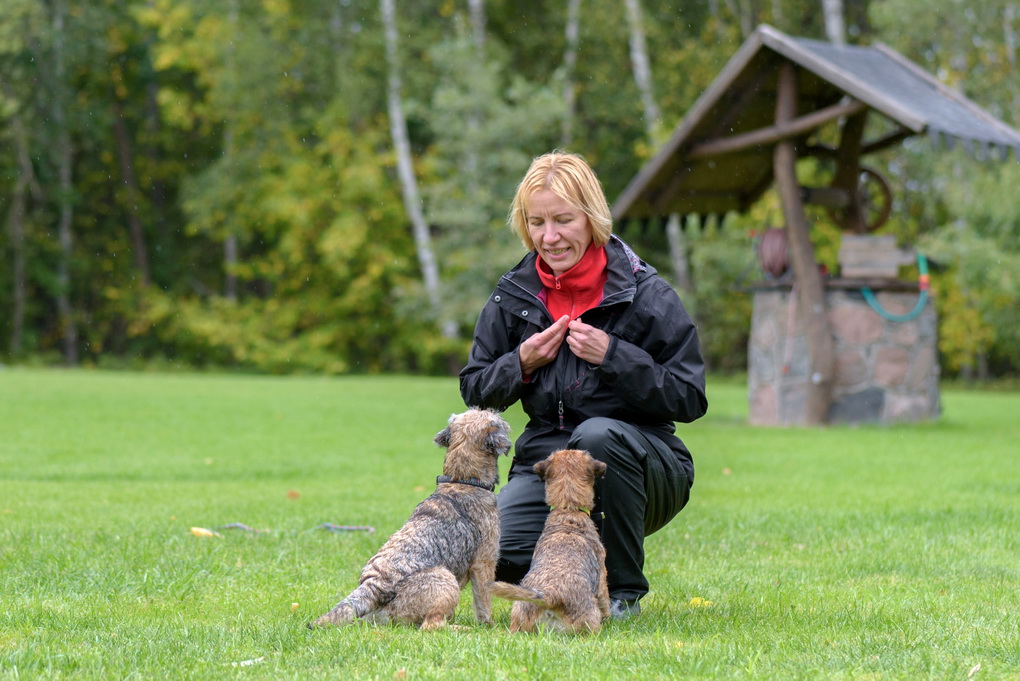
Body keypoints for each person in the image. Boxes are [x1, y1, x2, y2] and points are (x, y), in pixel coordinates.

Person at [459, 151, 708, 619]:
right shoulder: (513, 294)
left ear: (592, 217)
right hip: (547, 471)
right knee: (500, 560)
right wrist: (520, 362)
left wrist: (614, 356)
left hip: (645, 470)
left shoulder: (647, 294)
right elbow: (474, 389)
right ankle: (568, 577)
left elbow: (690, 397)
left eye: (563, 220)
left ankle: (622, 594)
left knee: (597, 434)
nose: (549, 237)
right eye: (536, 222)